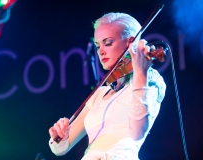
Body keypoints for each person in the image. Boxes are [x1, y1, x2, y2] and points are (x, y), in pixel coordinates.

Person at [48, 12, 166, 160]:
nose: (101, 51)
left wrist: (140, 72)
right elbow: (61, 148)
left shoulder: (149, 80)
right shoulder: (100, 93)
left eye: (108, 43)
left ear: (130, 43)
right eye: (98, 46)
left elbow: (138, 132)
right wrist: (59, 136)